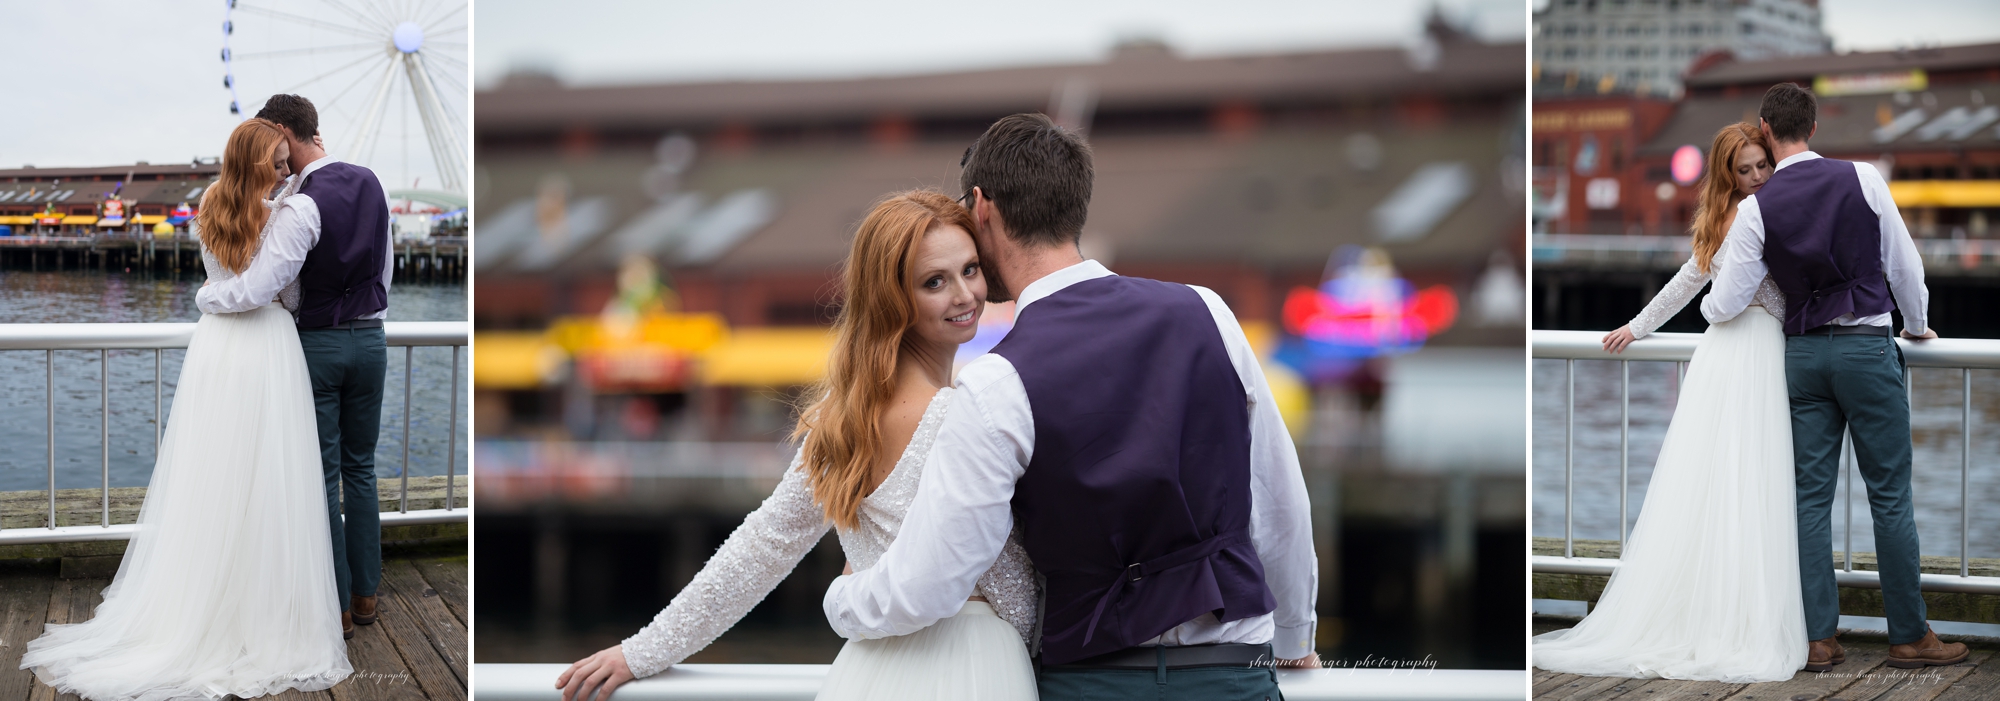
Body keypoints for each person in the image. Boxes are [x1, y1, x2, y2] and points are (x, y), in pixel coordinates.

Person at [822, 113, 1319, 700]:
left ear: (981, 207)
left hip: (1092, 680)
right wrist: (1294, 639)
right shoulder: (1207, 312)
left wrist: (842, 600)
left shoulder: (996, 382)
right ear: (1075, 203)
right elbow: (1279, 502)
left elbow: (930, 583)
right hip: (1229, 671)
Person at [557, 190, 1040, 701]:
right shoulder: (960, 414)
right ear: (893, 297)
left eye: (970, 270)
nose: (965, 295)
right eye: (935, 282)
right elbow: (1008, 583)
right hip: (973, 664)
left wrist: (642, 651)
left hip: (870, 671)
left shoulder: (842, 416)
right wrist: (1038, 653)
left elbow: (765, 545)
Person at [20, 118, 352, 699]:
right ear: (259, 164)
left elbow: (218, 279)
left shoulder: (209, 206)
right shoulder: (285, 212)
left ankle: (201, 600)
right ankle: (259, 609)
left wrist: (205, 296)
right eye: (278, 163)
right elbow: (286, 294)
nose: (285, 171)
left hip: (216, 349)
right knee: (269, 476)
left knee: (213, 474)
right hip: (267, 346)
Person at [1701, 82, 1963, 673]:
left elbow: (1728, 301)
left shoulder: (1756, 208)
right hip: (1865, 351)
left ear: (1766, 131)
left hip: (1802, 357)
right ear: (1813, 128)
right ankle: (1908, 636)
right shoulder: (1863, 178)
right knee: (1889, 497)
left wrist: (1709, 306)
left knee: (1809, 501)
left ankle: (1819, 639)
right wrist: (1916, 324)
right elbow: (1905, 266)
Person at [1532, 121, 1806, 682]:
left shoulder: (1733, 214)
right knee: (1744, 479)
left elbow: (1692, 280)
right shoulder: (1753, 215)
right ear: (1728, 175)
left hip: (1727, 353)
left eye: (1762, 165)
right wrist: (1637, 326)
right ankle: (1738, 620)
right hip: (1749, 352)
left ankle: (1720, 612)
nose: (1757, 176)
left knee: (1729, 480)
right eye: (1745, 170)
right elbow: (1719, 287)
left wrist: (1640, 325)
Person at [196, 94, 397, 641]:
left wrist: (206, 297)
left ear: (281, 131)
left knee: (322, 474)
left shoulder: (300, 204)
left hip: (320, 346)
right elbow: (384, 272)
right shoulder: (373, 184)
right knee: (362, 469)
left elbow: (270, 287)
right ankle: (367, 594)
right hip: (371, 341)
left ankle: (335, 605)